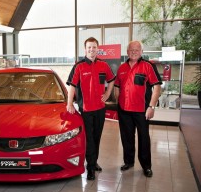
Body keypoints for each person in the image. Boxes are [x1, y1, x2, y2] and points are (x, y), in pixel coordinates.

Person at [66, 37, 115, 180]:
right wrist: (69, 104)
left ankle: (94, 161)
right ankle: (91, 168)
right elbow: (72, 86)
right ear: (85, 49)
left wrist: (107, 93)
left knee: (97, 137)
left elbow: (111, 80)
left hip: (100, 108)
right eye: (89, 47)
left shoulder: (103, 65)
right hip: (86, 110)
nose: (91, 50)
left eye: (94, 47)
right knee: (89, 139)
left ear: (97, 48)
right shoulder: (79, 66)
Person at [114, 40, 162, 178]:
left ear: (141, 51)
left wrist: (151, 106)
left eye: (136, 49)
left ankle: (146, 166)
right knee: (126, 138)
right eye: (131, 49)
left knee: (144, 139)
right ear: (127, 52)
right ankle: (128, 162)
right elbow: (117, 86)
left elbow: (157, 87)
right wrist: (118, 101)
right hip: (124, 110)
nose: (133, 52)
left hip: (142, 111)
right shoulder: (122, 67)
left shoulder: (148, 66)